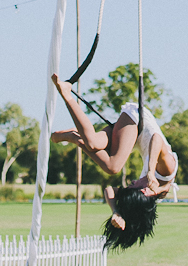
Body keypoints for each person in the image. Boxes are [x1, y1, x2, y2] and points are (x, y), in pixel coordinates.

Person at [51, 73, 177, 250]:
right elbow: (157, 138)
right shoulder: (165, 171)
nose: (132, 182)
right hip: (138, 121)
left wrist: (116, 212)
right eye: (133, 185)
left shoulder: (148, 194)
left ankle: (75, 136)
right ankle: (67, 96)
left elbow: (109, 189)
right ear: (145, 192)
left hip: (131, 134)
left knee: (94, 143)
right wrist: (150, 170)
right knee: (112, 166)